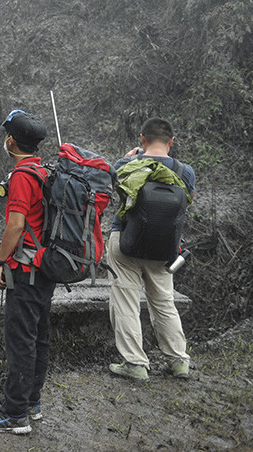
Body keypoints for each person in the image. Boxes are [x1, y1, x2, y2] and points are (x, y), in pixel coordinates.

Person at [0, 109, 51, 435]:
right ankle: (29, 402)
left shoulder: (21, 176)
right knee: (39, 338)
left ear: (11, 141)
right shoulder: (46, 172)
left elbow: (16, 225)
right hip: (46, 267)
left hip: (25, 269)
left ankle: (14, 415)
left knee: (21, 341)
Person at [107, 117, 196, 381]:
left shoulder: (127, 165)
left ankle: (135, 363)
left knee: (125, 299)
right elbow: (185, 203)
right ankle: (179, 360)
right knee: (164, 301)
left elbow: (114, 187)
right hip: (165, 245)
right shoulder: (185, 172)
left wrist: (126, 159)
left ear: (142, 140)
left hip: (125, 240)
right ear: (171, 142)